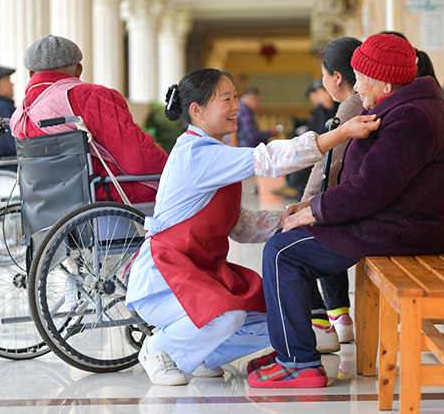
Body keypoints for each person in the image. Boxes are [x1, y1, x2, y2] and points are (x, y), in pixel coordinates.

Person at [124, 68, 380, 386]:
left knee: (271, 320)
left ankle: (204, 354)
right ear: (196, 110)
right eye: (226, 99)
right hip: (166, 275)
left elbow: (242, 226)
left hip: (200, 271)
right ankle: (158, 348)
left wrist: (293, 215)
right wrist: (339, 135)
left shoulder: (215, 152)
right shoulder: (195, 154)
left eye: (235, 97)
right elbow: (271, 159)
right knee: (227, 316)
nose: (236, 106)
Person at [247, 33, 444, 388]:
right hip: (387, 219)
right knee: (284, 241)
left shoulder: (411, 117)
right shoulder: (404, 106)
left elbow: (369, 190)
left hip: (399, 228)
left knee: (282, 251)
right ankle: (292, 348)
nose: (356, 85)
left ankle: (298, 362)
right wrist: (310, 206)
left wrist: (314, 211)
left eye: (361, 77)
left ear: (385, 81)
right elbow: (367, 182)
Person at [9, 35, 167, 203]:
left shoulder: (20, 116)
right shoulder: (91, 97)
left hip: (47, 203)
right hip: (106, 196)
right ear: (79, 70)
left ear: (31, 74)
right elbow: (138, 159)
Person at [299, 37, 363, 353]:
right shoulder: (360, 102)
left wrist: (306, 202)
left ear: (336, 77)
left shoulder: (352, 105)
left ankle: (323, 323)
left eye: (325, 75)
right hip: (361, 198)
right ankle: (337, 317)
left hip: (357, 205)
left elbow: (330, 162)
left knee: (296, 238)